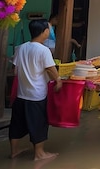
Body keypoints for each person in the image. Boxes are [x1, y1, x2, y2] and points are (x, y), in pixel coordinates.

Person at [9, 19, 62, 161]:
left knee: (17, 123)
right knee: (38, 123)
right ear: (44, 32)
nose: (49, 32)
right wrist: (58, 80)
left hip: (21, 94)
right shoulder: (43, 50)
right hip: (36, 95)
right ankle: (39, 154)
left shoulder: (21, 47)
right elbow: (51, 69)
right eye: (48, 29)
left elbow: (15, 70)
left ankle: (14, 151)